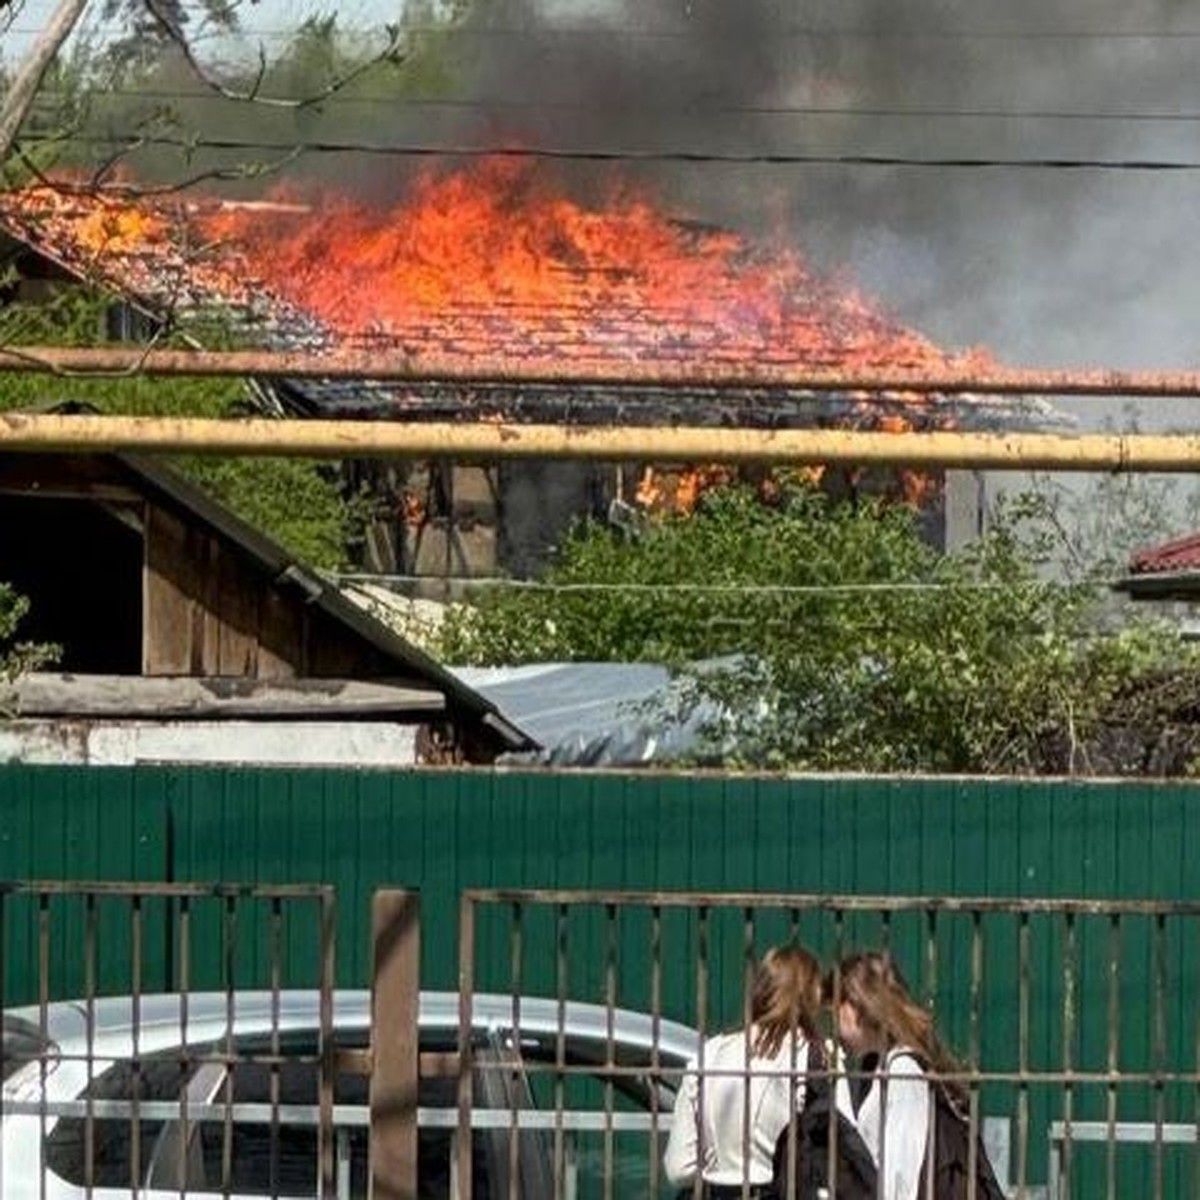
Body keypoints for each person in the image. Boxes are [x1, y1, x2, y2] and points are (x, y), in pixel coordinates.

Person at [663, 945, 823, 1199]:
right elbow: (837, 1158)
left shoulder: (711, 1053)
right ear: (812, 995)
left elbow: (678, 1169)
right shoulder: (814, 1058)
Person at [829, 950, 966, 1200]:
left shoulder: (902, 1071)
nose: (833, 1018)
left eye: (836, 1004)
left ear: (857, 1003)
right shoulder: (883, 1067)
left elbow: (902, 1177)